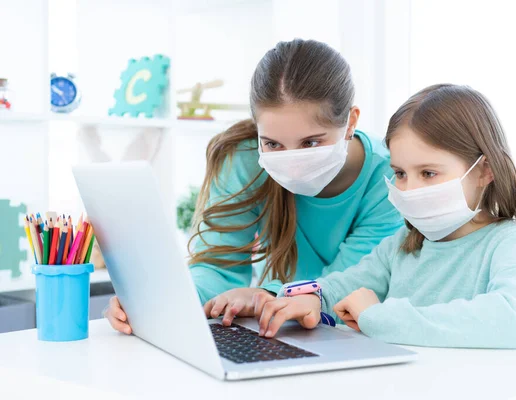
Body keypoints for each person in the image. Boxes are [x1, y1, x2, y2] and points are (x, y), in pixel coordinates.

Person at [105, 39, 403, 334]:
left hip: (348, 335)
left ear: (350, 122)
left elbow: (345, 286)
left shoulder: (393, 177)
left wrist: (267, 295)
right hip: (276, 329)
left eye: (311, 143)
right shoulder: (244, 158)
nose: (293, 163)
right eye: (272, 143)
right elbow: (218, 267)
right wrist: (161, 303)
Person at [254, 84, 516, 349]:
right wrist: (308, 298)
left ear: (484, 171)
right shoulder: (403, 244)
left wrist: (377, 317)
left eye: (428, 173)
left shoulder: (511, 242)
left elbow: (512, 322)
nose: (410, 189)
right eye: (400, 174)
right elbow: (345, 286)